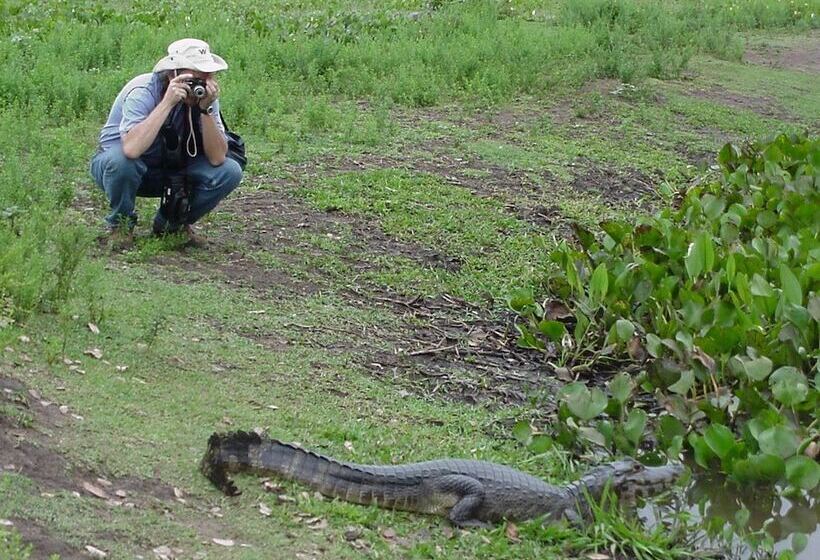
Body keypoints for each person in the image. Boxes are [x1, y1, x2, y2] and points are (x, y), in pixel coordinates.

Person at [90, 38, 242, 247]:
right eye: (196, 77)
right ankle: (121, 226)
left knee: (229, 171)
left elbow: (217, 158)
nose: (203, 83)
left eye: (208, 75)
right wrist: (167, 103)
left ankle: (172, 225)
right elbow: (132, 149)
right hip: (126, 171)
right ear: (173, 74)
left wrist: (204, 110)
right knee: (121, 161)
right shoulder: (142, 90)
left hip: (174, 170)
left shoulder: (206, 97)